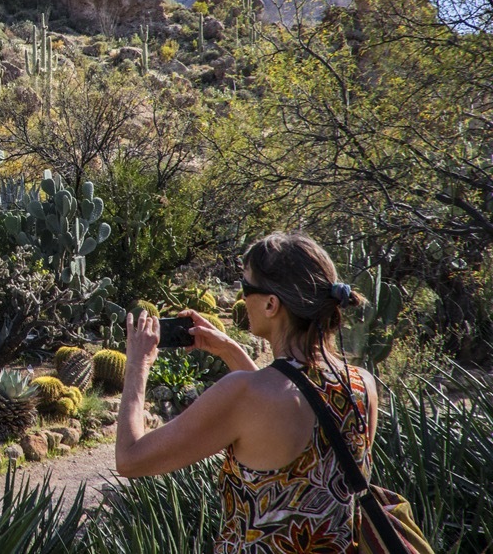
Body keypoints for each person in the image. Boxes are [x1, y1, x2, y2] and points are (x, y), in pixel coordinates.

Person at [115, 231, 378, 552]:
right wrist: (231, 351)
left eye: (245, 288)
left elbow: (130, 460)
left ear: (271, 304)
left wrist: (137, 366)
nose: (241, 300)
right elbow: (281, 419)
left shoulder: (244, 393)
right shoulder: (362, 385)